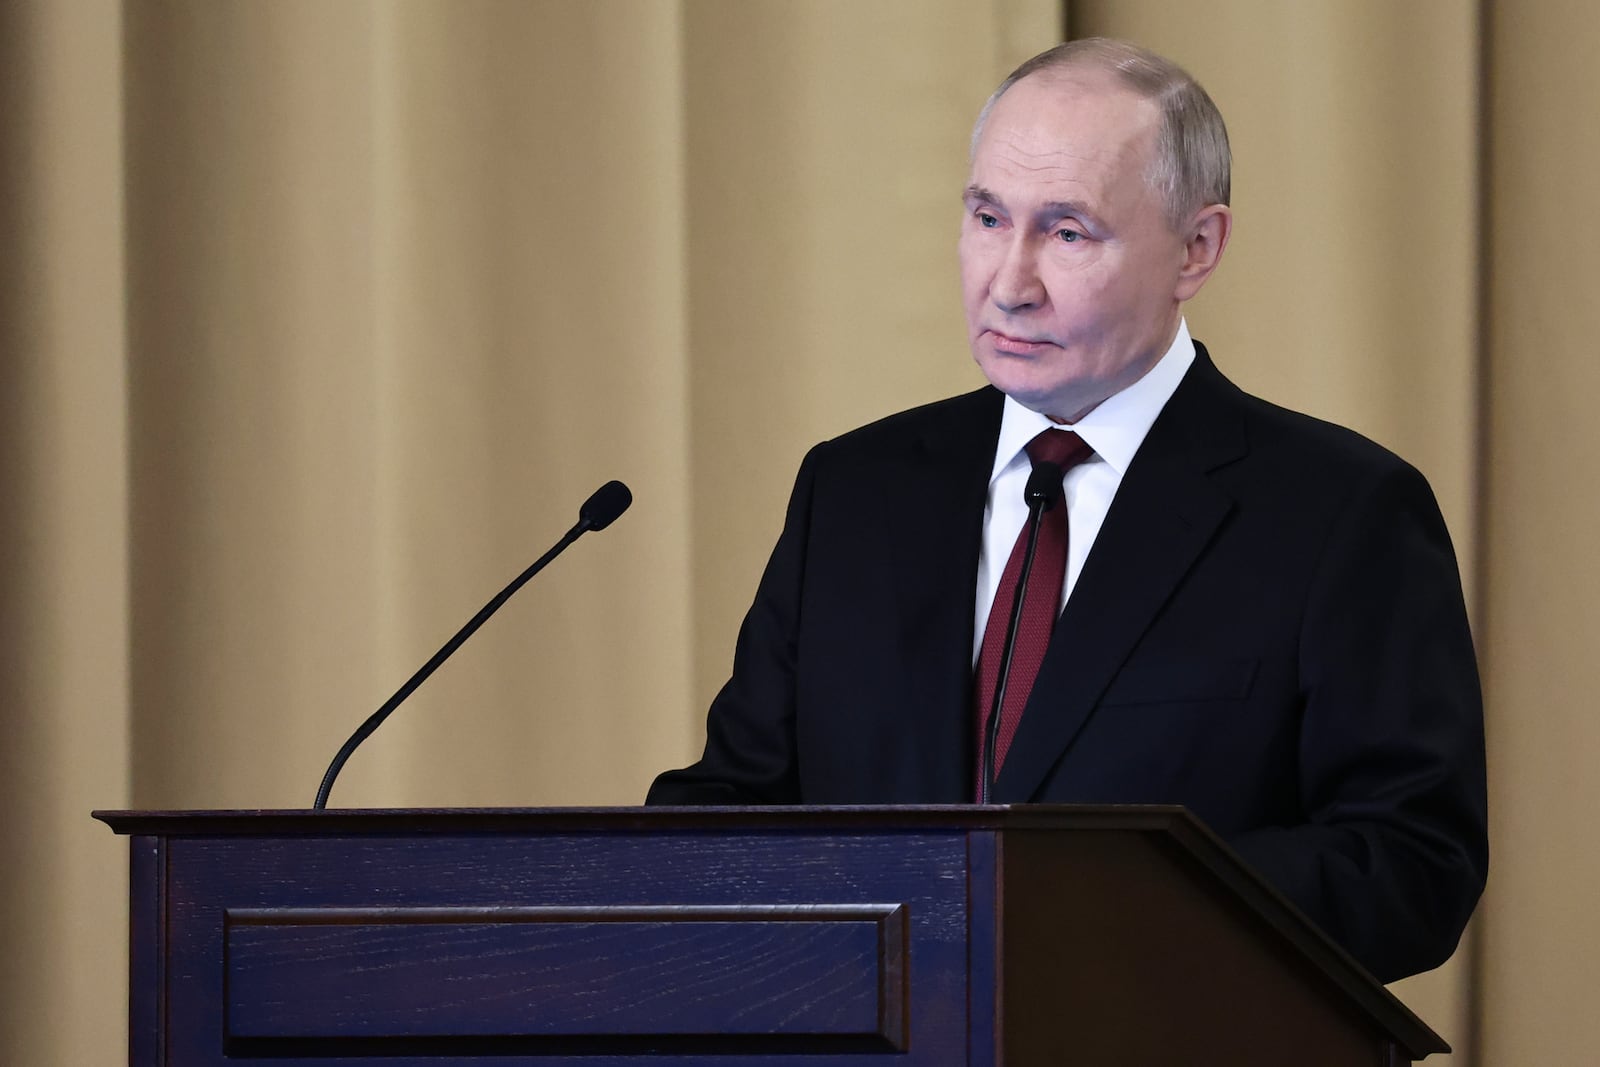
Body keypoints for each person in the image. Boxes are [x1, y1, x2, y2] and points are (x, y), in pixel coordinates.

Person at [647, 38, 1487, 985]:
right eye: (988, 216)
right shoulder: (854, 491)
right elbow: (738, 804)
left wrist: (1095, 914)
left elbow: (1411, 865)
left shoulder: (1342, 512)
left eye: (1067, 232)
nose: (1009, 281)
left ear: (1197, 249)